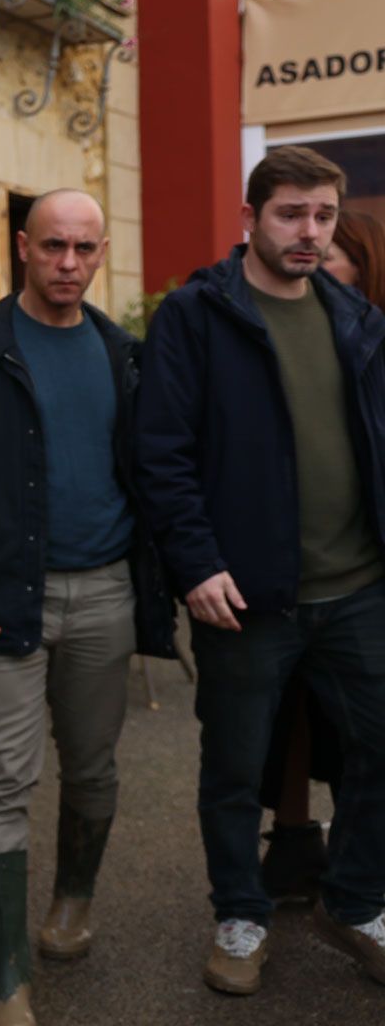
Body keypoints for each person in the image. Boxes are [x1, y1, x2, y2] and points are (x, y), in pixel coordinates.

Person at [0, 190, 173, 1026]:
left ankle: (72, 903)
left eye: (84, 249)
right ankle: (5, 975)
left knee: (93, 767)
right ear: (23, 246)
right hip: (0, 602)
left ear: (99, 253)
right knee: (0, 782)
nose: (69, 265)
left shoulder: (122, 353)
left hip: (104, 592)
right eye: (53, 246)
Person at [136, 146, 385, 994]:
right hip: (244, 598)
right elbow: (160, 453)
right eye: (291, 215)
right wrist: (197, 565)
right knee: (236, 770)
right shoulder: (197, 316)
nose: (309, 232)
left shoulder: (353, 315)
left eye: (322, 216)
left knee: (378, 749)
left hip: (357, 588)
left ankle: (353, 901)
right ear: (250, 219)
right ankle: (240, 915)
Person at [259, 208, 385, 903]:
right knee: (297, 712)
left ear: (363, 273)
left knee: (363, 724)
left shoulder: (370, 345)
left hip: (366, 571)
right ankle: (298, 840)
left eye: (331, 256)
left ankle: (356, 862)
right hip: (300, 572)